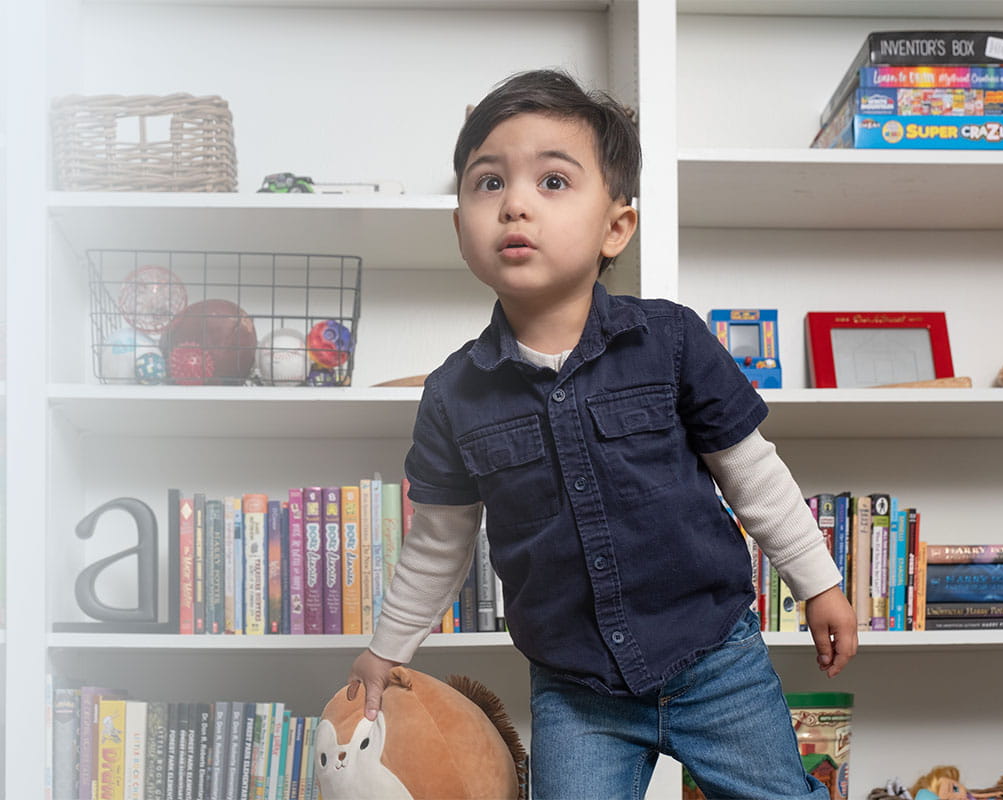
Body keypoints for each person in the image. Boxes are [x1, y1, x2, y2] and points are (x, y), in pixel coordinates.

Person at [346, 68, 857, 800]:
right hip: (576, 689)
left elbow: (753, 474)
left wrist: (821, 585)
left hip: (715, 659)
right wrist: (384, 650)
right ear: (460, 227)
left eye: (552, 182)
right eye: (488, 184)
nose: (515, 203)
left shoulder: (671, 341)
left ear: (616, 225)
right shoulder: (454, 394)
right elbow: (438, 543)